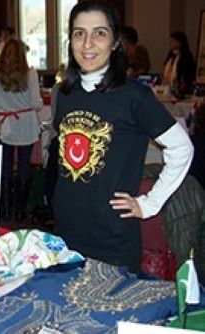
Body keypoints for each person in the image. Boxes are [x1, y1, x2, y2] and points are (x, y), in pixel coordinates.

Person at [50, 0, 193, 271]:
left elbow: (182, 148)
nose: (88, 43)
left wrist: (149, 204)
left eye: (99, 33)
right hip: (66, 233)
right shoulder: (67, 93)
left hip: (112, 239)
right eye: (79, 33)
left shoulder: (134, 97)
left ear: (115, 42)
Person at [0, 39, 42, 221]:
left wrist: (5, 107)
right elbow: (36, 103)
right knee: (24, 164)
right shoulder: (30, 73)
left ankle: (6, 209)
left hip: (5, 123)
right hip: (26, 123)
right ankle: (20, 211)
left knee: (6, 165)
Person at [162, 31, 196, 96]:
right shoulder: (170, 54)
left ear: (180, 42)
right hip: (167, 87)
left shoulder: (187, 56)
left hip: (181, 88)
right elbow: (165, 67)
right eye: (170, 41)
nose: (170, 43)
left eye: (173, 41)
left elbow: (188, 74)